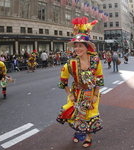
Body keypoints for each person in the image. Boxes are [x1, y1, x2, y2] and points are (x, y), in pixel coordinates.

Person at [56, 16, 104, 148]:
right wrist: (69, 93)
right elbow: (63, 80)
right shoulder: (70, 63)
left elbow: (99, 78)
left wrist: (95, 95)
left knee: (90, 114)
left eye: (80, 46)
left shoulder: (95, 60)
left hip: (92, 92)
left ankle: (89, 137)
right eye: (75, 46)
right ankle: (79, 133)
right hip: (76, 93)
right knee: (76, 114)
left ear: (87, 47)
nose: (77, 49)